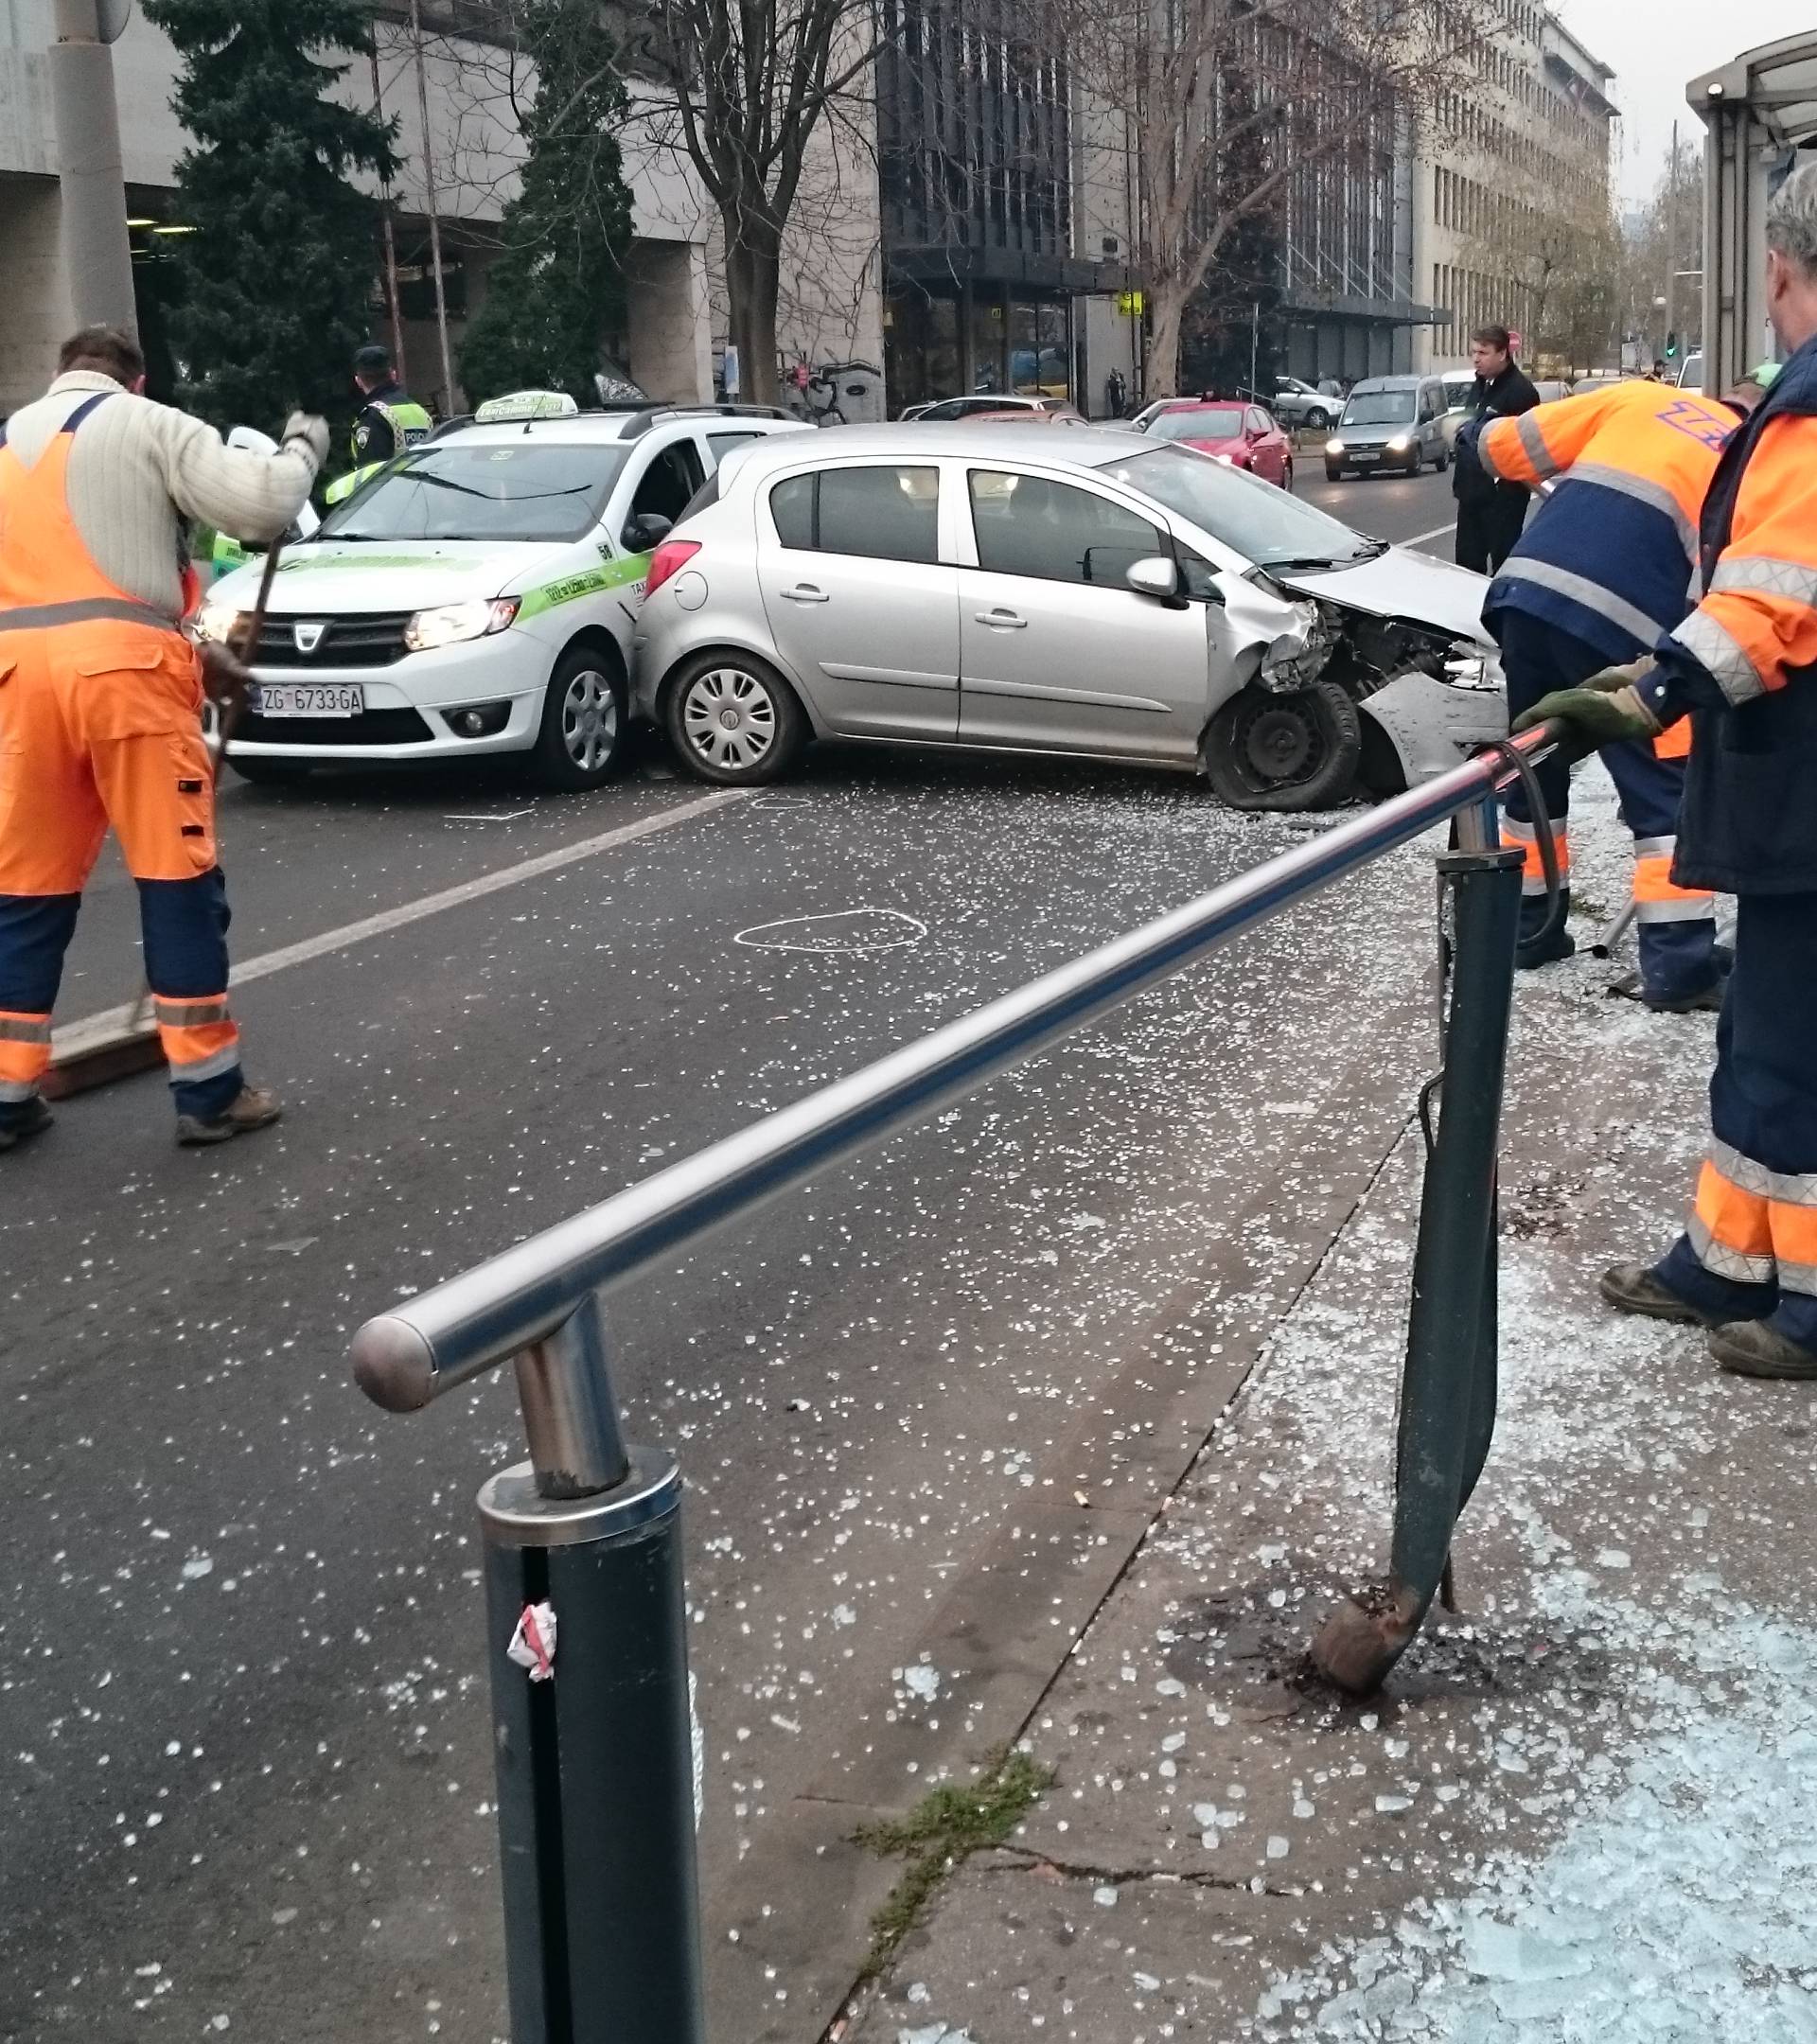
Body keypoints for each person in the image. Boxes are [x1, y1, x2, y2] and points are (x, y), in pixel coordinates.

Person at [1516, 161, 1817, 1381]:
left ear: (1783, 272)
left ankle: (1804, 1305)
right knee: (1759, 1033)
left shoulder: (1812, 411)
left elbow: (1771, 601)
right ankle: (1724, 1261)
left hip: (1805, 800)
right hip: (1798, 801)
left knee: (1790, 1047)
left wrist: (1646, 690)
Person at [0, 325, 326, 1151]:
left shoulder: (6, 442)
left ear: (59, 375)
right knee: (174, 875)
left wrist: (192, 646)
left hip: (14, 684)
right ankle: (209, 1091)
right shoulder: (150, 425)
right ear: (135, 383)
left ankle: (5, 1095)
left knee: (23, 895)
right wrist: (302, 446)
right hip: (125, 683)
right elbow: (262, 505)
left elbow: (79, 587)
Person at [1474, 370, 1770, 1002]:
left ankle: (1526, 932)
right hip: (1630, 627)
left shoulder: (1643, 398)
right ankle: (1679, 967)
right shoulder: (1758, 463)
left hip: (1527, 594)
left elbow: (1503, 445)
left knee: (1535, 768)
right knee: (1664, 793)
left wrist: (1478, 428)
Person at [1452, 326, 1540, 573]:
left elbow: (1525, 444)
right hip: (1471, 492)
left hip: (1503, 497)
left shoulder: (1520, 391)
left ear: (1502, 354)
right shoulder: (1480, 384)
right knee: (1467, 566)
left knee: (1503, 563)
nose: (1476, 358)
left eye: (1483, 352)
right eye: (1473, 352)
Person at [348, 343, 432, 469]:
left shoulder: (373, 417)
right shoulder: (420, 411)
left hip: (392, 488)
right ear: (393, 375)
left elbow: (371, 473)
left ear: (358, 381)